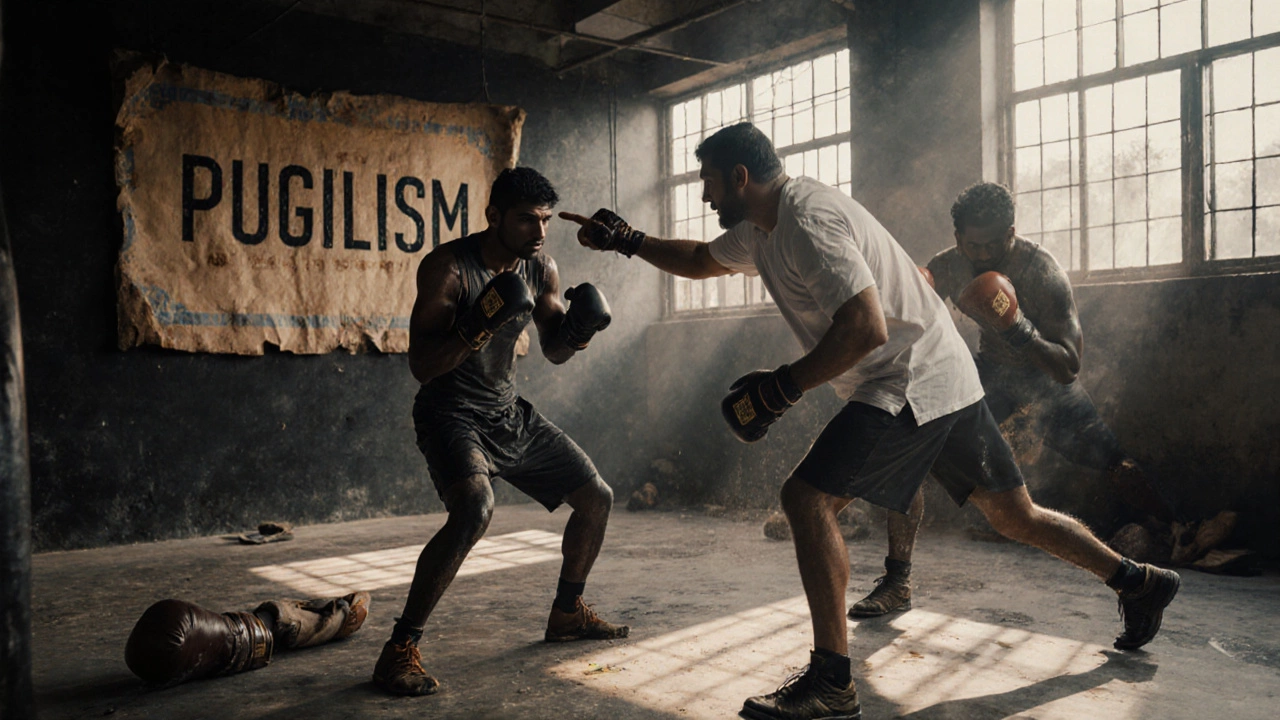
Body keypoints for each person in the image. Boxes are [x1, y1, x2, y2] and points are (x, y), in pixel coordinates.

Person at [561, 124, 1179, 720]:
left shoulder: (807, 220)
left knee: (806, 499)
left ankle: (832, 682)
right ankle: (1137, 581)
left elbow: (866, 327)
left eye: (711, 183)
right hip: (945, 374)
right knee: (1015, 516)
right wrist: (628, 239)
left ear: (741, 177)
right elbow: (700, 259)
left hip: (906, 377)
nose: (704, 195)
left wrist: (781, 388)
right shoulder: (761, 226)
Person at [849, 181, 1178, 619]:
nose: (982, 255)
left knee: (1114, 463)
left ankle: (1173, 531)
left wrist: (1016, 326)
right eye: (972, 245)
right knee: (916, 456)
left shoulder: (1041, 271)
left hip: (1048, 383)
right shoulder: (948, 266)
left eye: (992, 244)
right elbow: (910, 322)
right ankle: (897, 580)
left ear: (1011, 233)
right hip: (988, 379)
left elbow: (1068, 365)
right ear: (957, 238)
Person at [372, 167, 628, 697]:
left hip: (507, 412)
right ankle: (399, 648)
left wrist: (580, 331)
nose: (539, 232)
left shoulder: (541, 267)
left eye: (546, 221)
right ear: (493, 217)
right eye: (526, 220)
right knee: (474, 510)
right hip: (450, 414)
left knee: (596, 497)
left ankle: (566, 613)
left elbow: (554, 350)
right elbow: (423, 365)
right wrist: (477, 324)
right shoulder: (448, 268)